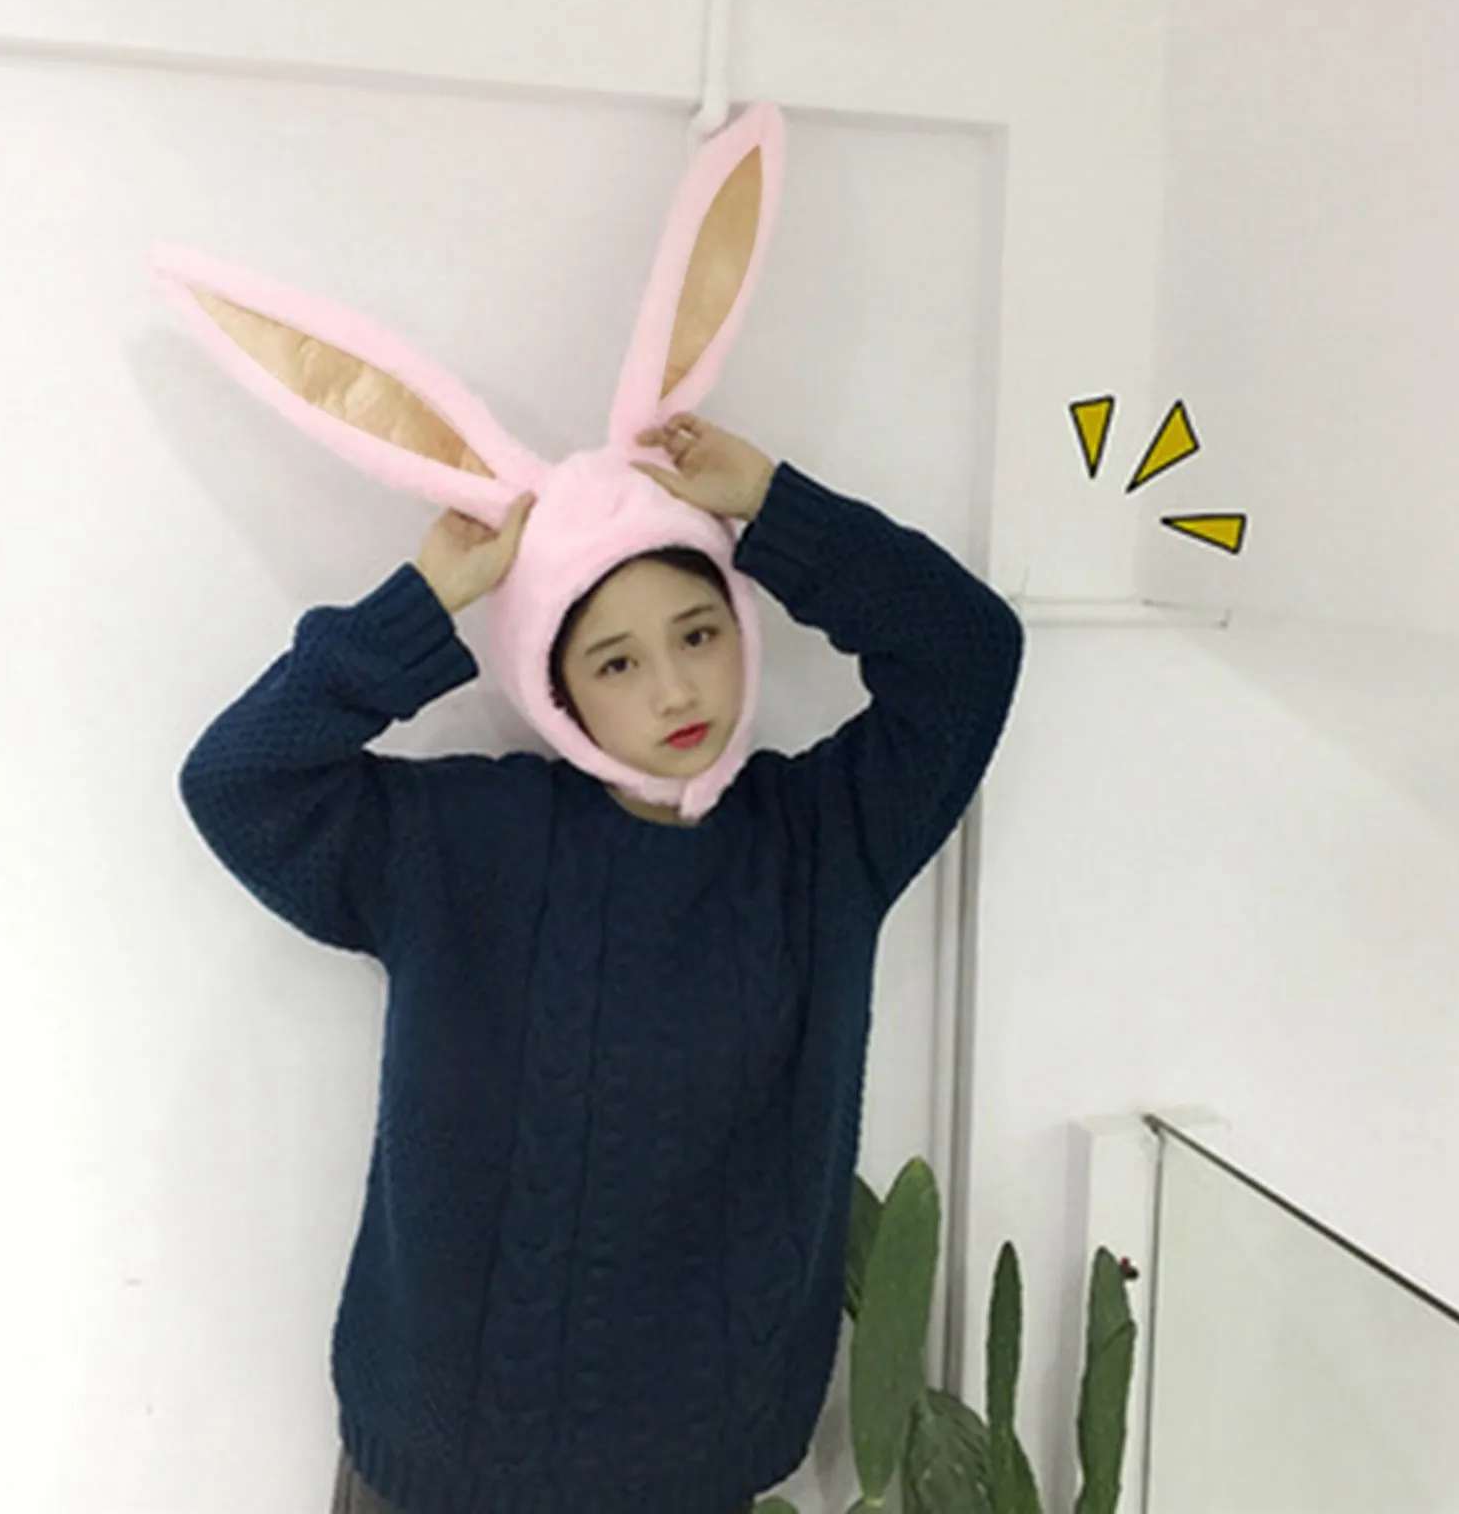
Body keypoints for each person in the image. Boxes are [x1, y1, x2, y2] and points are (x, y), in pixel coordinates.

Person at [178, 414, 1025, 1514]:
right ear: (556, 687)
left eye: (698, 634)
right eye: (616, 661)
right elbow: (239, 781)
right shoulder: (462, 843)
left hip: (695, 1471)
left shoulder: (824, 837)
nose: (675, 691)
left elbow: (968, 652)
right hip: (437, 1473)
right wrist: (422, 603)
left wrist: (775, 505)